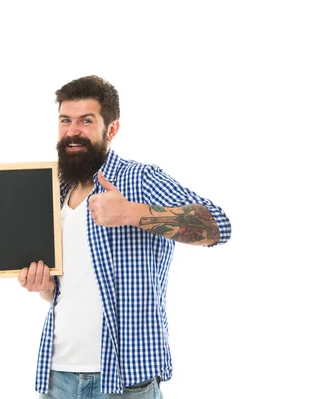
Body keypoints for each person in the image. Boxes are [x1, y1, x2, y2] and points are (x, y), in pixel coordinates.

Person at [18, 75, 231, 398]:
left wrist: (131, 213)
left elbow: (218, 226)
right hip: (58, 375)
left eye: (86, 121)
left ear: (112, 129)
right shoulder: (55, 191)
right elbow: (69, 290)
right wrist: (46, 288)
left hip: (126, 381)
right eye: (65, 120)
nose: (73, 131)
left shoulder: (141, 179)